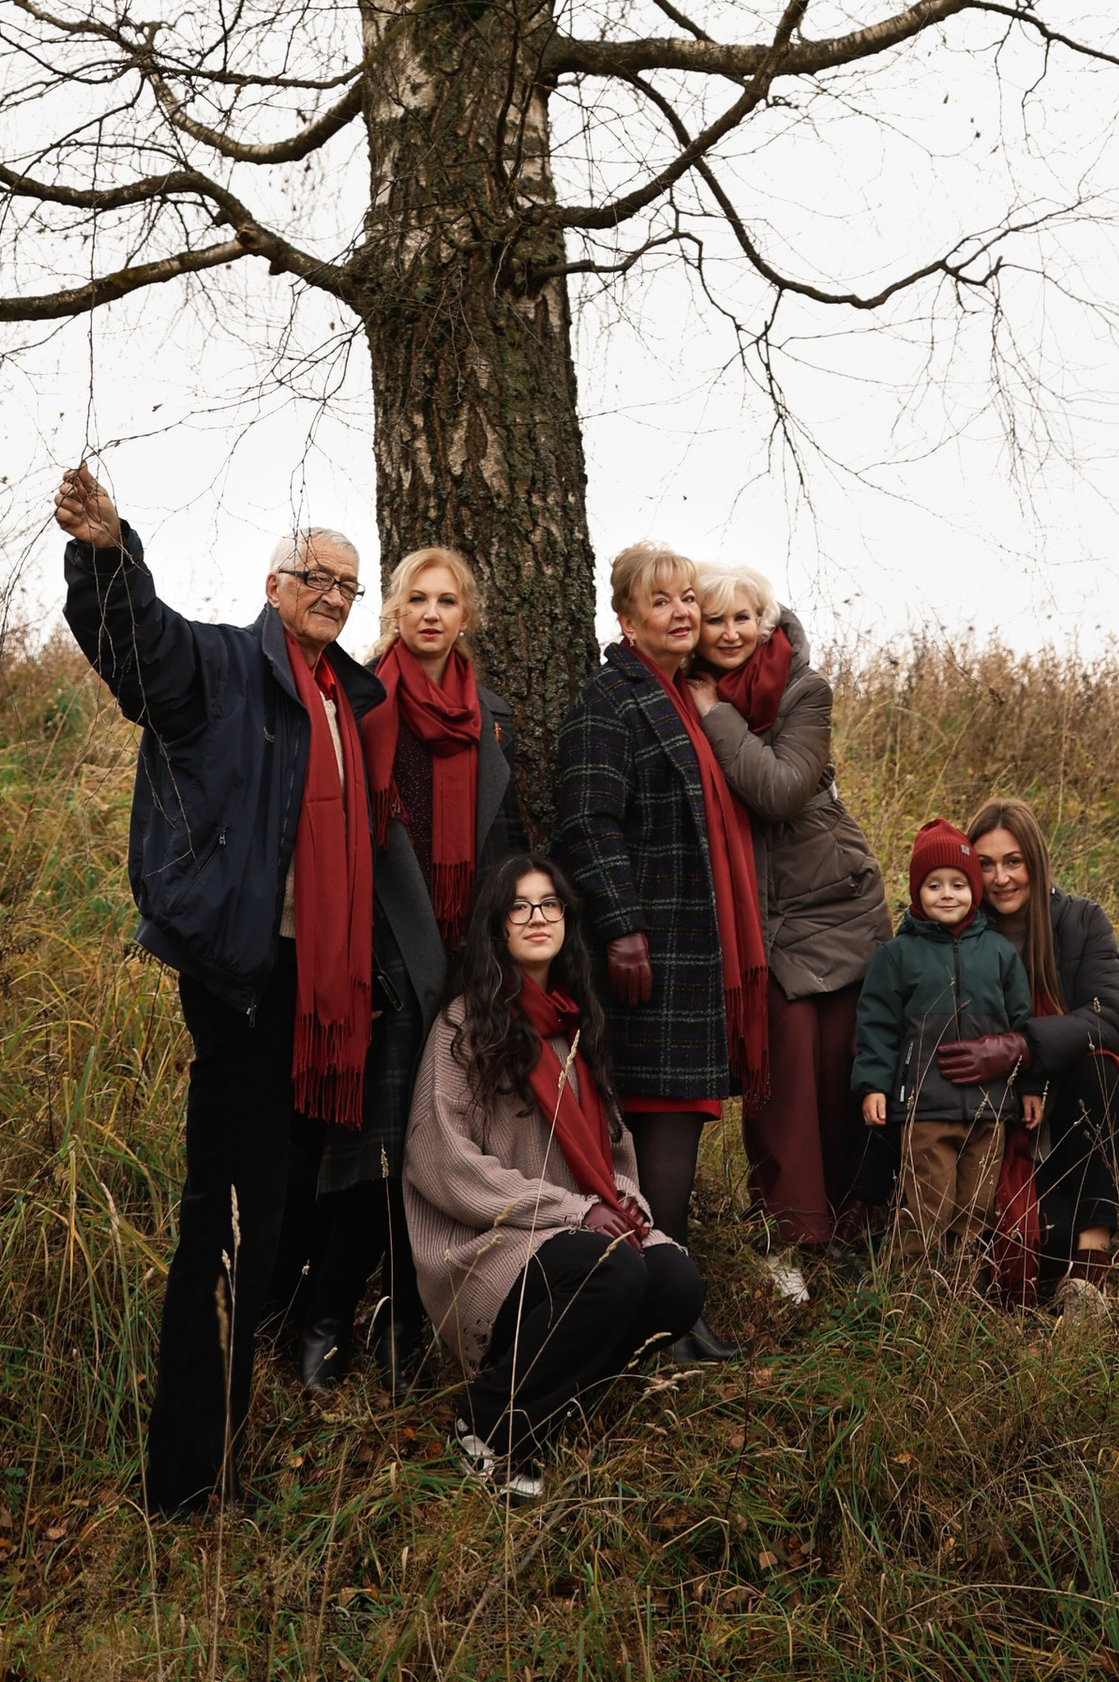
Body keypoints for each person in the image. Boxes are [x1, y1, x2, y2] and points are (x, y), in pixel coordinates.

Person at [53, 464, 448, 1512]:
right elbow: (137, 645)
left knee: (272, 1216)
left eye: (345, 585)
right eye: (313, 575)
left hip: (318, 997)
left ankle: (225, 1442)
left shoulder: (342, 699)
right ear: (274, 585)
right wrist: (107, 554)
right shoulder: (224, 669)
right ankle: (186, 1484)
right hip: (241, 983)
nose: (330, 593)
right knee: (226, 1218)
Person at [403, 854, 704, 1502]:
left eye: (550, 905)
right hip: (491, 1237)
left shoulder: (576, 1022)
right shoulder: (467, 1024)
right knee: (612, 1269)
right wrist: (569, 1208)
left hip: (570, 1230)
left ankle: (545, 1411)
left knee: (676, 1282)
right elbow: (438, 1158)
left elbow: (615, 1151)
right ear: (497, 925)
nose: (538, 918)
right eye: (521, 906)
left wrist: (627, 1201)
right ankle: (486, 1423)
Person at [552, 543, 764, 1342]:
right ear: (626, 618)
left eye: (688, 600)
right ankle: (669, 1316)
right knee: (661, 1126)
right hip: (650, 954)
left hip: (690, 952)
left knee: (676, 1127)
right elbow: (586, 820)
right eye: (662, 601)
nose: (682, 613)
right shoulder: (611, 700)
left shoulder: (680, 698)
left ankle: (668, 1306)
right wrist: (623, 928)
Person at [688, 563, 890, 1291]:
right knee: (779, 1080)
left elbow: (779, 790)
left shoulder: (804, 689)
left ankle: (858, 1227)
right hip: (754, 921)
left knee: (843, 1072)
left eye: (745, 617)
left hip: (832, 903)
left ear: (767, 622)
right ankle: (790, 1238)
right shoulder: (682, 692)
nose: (733, 632)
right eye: (716, 620)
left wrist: (718, 717)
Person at [355, 547, 526, 1382]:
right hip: (390, 955)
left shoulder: (488, 713)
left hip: (466, 961)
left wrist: (496, 960)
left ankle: (446, 1305)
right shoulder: (362, 703)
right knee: (386, 1145)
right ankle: (384, 1317)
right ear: (394, 610)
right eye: (416, 599)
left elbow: (504, 844)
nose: (430, 613)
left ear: (467, 616)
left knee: (456, 1137)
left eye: (447, 600)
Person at [966, 796, 1119, 1310]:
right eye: (986, 865)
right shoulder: (958, 932)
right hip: (997, 1120)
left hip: (1072, 1122)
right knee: (1036, 1239)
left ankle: (1091, 1269)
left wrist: (1024, 1046)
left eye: (1013, 861)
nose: (1001, 878)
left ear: (1036, 861)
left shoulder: (1081, 921)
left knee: (1100, 1068)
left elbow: (1112, 1016)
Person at [851, 819, 1040, 1254]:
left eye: (958, 883)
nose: (947, 894)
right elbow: (877, 1025)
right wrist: (873, 1086)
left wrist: (1028, 1088)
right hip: (925, 1108)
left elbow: (1022, 1028)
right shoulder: (897, 956)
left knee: (975, 1209)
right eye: (934, 885)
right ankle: (910, 1290)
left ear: (974, 889)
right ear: (917, 892)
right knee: (926, 1204)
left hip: (989, 1109)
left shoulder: (999, 953)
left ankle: (959, 1290)